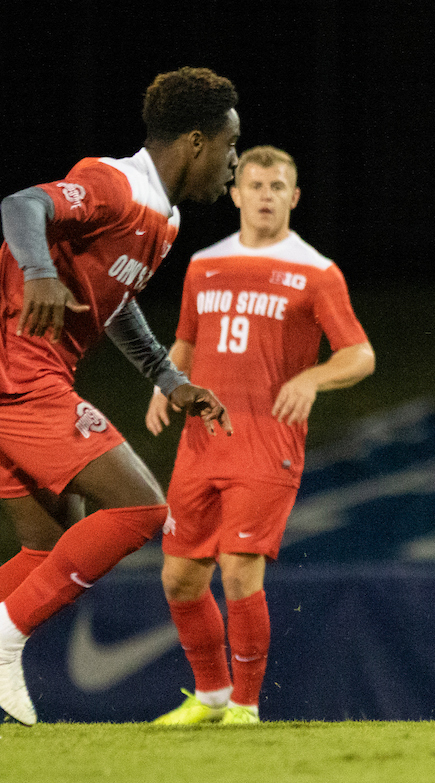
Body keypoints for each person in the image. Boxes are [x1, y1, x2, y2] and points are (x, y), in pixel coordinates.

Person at [0, 67, 239, 726]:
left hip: (29, 374)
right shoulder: (115, 183)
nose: (233, 162)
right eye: (229, 145)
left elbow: (115, 300)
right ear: (196, 141)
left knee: (49, 547)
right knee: (141, 508)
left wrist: (169, 378)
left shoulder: (165, 220)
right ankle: (5, 641)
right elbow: (21, 205)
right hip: (18, 373)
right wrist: (39, 272)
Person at [144, 145, 375, 725]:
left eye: (277, 187)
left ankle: (245, 706)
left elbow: (360, 354)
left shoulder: (316, 271)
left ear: (293, 197)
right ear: (236, 194)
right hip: (201, 444)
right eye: (255, 185)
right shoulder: (204, 264)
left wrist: (313, 378)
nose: (266, 196)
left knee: (238, 568)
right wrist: (165, 383)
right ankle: (211, 695)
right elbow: (187, 341)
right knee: (179, 578)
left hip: (268, 445)